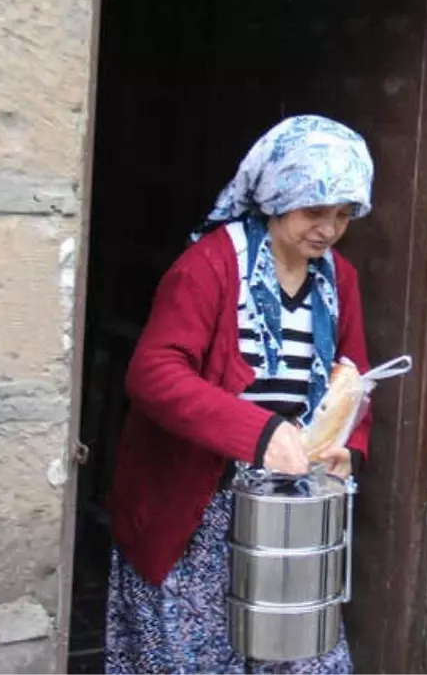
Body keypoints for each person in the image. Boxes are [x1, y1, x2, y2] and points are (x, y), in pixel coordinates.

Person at [104, 114, 375, 674]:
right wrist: (259, 432)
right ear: (276, 197)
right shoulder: (208, 265)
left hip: (286, 508)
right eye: (315, 211)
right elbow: (154, 372)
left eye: (344, 215)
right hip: (194, 511)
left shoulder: (338, 278)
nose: (329, 229)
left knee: (303, 654)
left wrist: (349, 446)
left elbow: (353, 374)